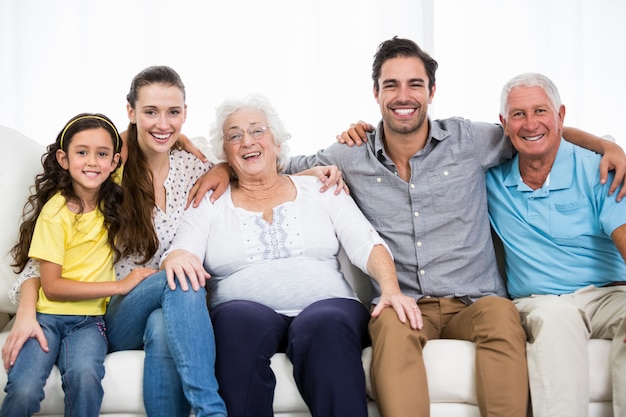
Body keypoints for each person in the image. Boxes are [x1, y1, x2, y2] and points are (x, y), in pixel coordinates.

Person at [286, 36, 626, 417]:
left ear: (432, 91)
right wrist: (222, 167)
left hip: (477, 301)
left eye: (415, 84)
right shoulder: (350, 153)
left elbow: (536, 134)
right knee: (389, 325)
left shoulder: (469, 141)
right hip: (406, 302)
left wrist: (607, 146)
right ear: (375, 93)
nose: (404, 96)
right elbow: (273, 167)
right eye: (391, 85)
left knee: (502, 317)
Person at [159, 94, 420, 417]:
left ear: (277, 142)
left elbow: (368, 244)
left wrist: (391, 289)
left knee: (325, 326)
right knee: (234, 323)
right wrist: (180, 257)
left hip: (328, 305)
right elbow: (180, 252)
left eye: (257, 131)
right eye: (234, 135)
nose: (247, 141)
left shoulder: (320, 188)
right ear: (225, 153)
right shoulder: (211, 200)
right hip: (243, 312)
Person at [4, 66, 228, 417]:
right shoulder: (109, 171)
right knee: (182, 277)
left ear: (185, 113)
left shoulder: (194, 168)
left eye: (173, 112)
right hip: (114, 312)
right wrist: (26, 312)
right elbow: (48, 259)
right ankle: (210, 410)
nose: (163, 124)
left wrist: (225, 168)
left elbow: (264, 172)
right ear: (131, 113)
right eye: (150, 112)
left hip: (171, 313)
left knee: (163, 319)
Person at [486, 72, 626, 417]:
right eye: (518, 114)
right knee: (557, 316)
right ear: (504, 123)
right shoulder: (490, 179)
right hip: (540, 301)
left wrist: (610, 146)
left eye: (540, 111)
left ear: (561, 116)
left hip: (610, 294)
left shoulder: (600, 169)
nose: (530, 123)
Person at [0, 113, 155, 417]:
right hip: (46, 318)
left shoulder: (112, 193)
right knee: (25, 388)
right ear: (63, 158)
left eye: (102, 154)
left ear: (115, 162)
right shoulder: (55, 213)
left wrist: (186, 139)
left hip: (88, 324)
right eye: (81, 153)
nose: (92, 162)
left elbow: (134, 136)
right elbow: (53, 287)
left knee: (86, 380)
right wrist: (120, 286)